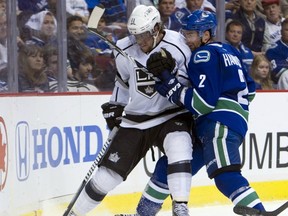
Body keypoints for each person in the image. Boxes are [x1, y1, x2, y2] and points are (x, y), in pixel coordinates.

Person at [118, 9, 268, 216]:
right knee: (170, 166)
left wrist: (172, 87)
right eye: (185, 33)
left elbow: (203, 104)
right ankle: (142, 214)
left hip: (218, 124)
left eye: (191, 34)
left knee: (225, 175)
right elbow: (250, 91)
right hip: (215, 125)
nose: (186, 39)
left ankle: (259, 211)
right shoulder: (229, 51)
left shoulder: (202, 54)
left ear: (206, 35)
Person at [69, 5, 194, 216]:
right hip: (136, 119)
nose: (140, 41)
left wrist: (170, 75)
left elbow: (189, 82)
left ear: (157, 28)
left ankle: (180, 206)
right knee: (108, 175)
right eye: (136, 35)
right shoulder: (123, 48)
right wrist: (115, 106)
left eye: (144, 35)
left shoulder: (179, 44)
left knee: (179, 144)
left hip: (171, 113)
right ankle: (75, 213)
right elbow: (123, 82)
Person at [265, 18, 288, 89]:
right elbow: (278, 73)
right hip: (278, 86)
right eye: (287, 30)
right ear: (281, 32)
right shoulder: (273, 50)